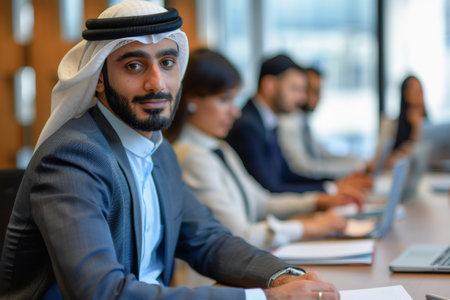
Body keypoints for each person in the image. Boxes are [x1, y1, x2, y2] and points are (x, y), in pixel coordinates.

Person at [0, 2, 340, 299]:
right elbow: (100, 292)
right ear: (99, 79)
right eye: (134, 66)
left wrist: (284, 276)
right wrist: (263, 299)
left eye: (167, 62)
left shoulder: (158, 151)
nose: (157, 83)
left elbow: (208, 240)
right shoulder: (74, 158)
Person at [168, 48, 347, 249]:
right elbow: (239, 235)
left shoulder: (219, 147)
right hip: (216, 278)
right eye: (224, 100)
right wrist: (309, 227)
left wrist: (317, 201)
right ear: (192, 99)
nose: (235, 112)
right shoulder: (192, 157)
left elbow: (262, 203)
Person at [226, 54, 371, 205]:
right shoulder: (247, 127)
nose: (301, 99)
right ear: (269, 85)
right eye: (294, 89)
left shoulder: (266, 121)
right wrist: (329, 191)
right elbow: (270, 188)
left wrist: (332, 186)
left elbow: (287, 175)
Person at [278, 67, 366, 179]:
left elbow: (323, 154)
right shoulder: (288, 123)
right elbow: (305, 168)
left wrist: (360, 163)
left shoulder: (301, 120)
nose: (319, 98)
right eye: (315, 92)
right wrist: (356, 167)